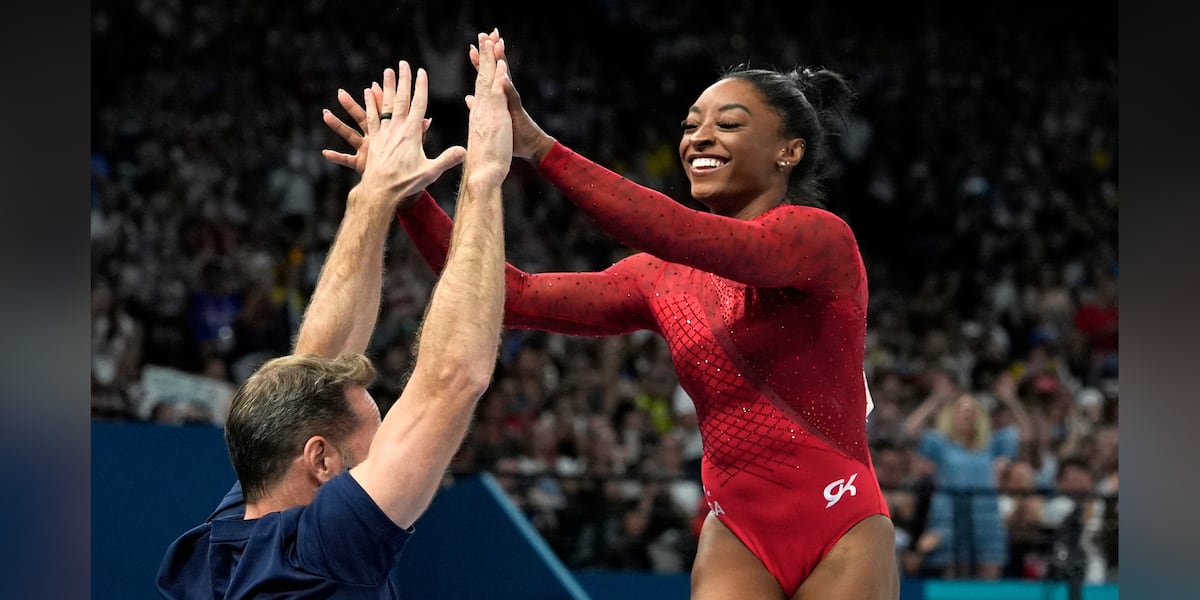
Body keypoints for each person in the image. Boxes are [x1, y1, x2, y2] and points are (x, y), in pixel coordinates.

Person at [324, 30, 896, 599]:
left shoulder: (821, 241)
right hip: (738, 531)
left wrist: (543, 150)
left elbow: (692, 236)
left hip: (839, 521)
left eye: (728, 124)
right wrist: (406, 196)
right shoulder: (659, 277)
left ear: (788, 151)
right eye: (691, 124)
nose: (699, 137)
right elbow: (511, 296)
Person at [156, 39, 513, 598]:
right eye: (376, 444)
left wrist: (371, 198)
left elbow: (311, 367)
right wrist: (485, 174)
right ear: (320, 458)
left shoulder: (229, 535)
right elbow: (452, 379)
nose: (388, 455)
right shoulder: (319, 555)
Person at [901, 370, 1033, 579]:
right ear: (952, 415)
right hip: (949, 515)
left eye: (971, 410)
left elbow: (1026, 433)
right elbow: (909, 430)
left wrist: (1010, 401)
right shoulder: (941, 443)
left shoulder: (990, 443)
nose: (966, 414)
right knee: (953, 576)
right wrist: (935, 400)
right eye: (961, 409)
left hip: (985, 515)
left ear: (979, 417)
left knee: (989, 575)